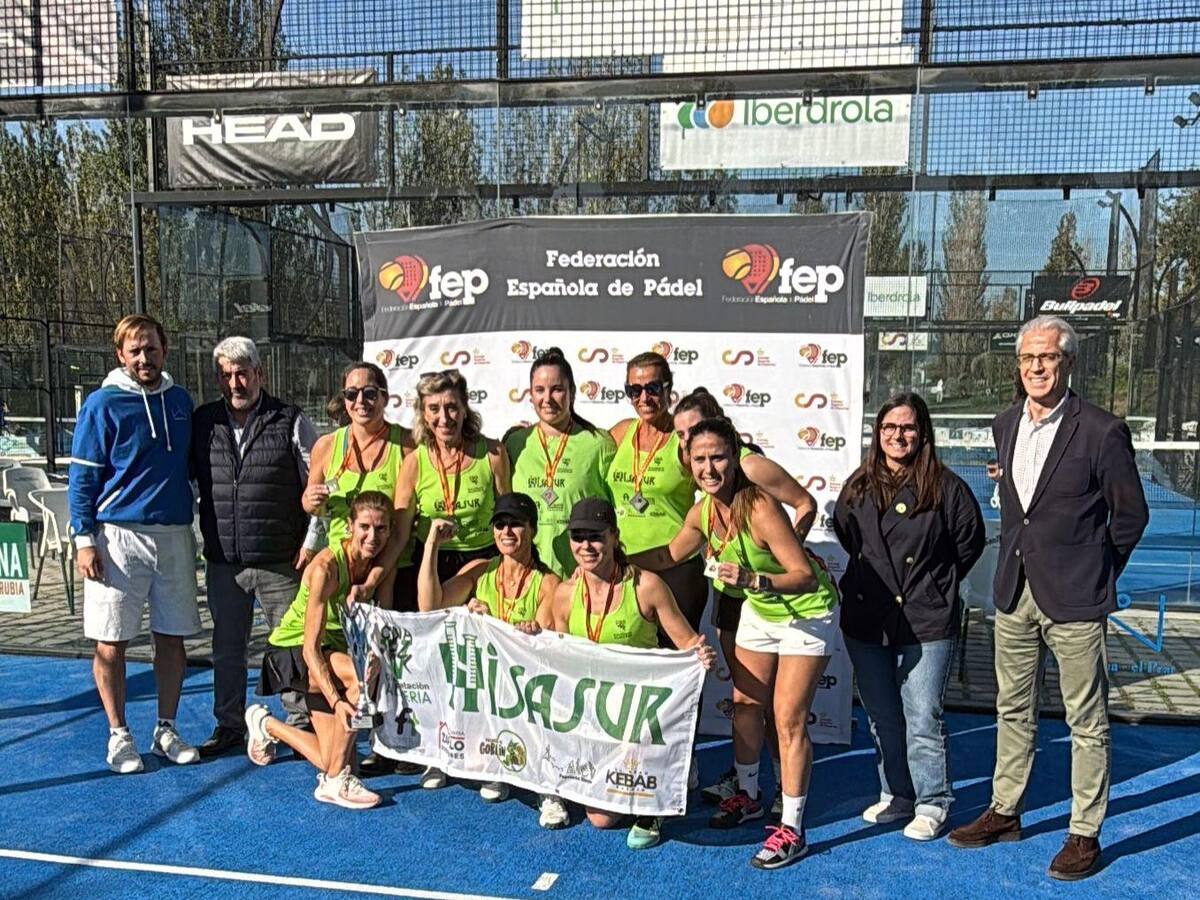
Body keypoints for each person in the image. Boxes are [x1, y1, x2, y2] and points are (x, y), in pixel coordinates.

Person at [947, 315, 1149, 881]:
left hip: (1077, 598)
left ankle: (1084, 832)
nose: (1036, 367)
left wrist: (1097, 572)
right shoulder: (1005, 423)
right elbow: (1025, 510)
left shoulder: (1102, 431)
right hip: (1015, 591)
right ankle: (1005, 810)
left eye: (1047, 357)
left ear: (1067, 363)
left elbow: (1130, 516)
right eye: (1027, 358)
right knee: (1012, 708)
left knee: (1087, 720)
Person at [632, 418, 838, 870]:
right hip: (761, 612)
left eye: (718, 458)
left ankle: (793, 829)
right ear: (688, 462)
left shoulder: (760, 506)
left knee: (787, 718)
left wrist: (753, 579)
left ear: (735, 459)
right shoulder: (702, 512)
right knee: (745, 705)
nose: (709, 468)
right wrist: (617, 561)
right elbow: (669, 555)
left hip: (806, 613)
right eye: (700, 459)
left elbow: (803, 575)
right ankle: (748, 795)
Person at [833, 392, 985, 841]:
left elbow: (968, 543)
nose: (898, 436)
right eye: (889, 427)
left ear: (923, 434)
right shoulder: (858, 485)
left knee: (923, 715)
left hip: (926, 619)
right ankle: (896, 794)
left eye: (908, 428)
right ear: (877, 433)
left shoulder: (947, 487)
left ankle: (933, 801)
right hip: (867, 618)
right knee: (881, 715)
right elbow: (848, 535)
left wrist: (933, 584)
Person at [526, 497, 714, 851]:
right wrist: (527, 633)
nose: (586, 546)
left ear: (613, 536)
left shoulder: (646, 586)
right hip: (595, 715)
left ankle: (658, 796)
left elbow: (687, 642)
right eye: (578, 537)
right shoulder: (564, 594)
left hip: (639, 716)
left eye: (595, 537)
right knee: (600, 819)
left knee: (609, 813)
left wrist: (699, 654)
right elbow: (561, 657)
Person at [671, 386, 818, 807]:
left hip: (771, 596)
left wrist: (780, 555)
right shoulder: (697, 470)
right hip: (730, 595)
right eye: (681, 436)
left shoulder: (751, 466)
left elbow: (805, 503)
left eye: (695, 430)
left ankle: (782, 786)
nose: (688, 441)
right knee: (746, 699)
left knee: (776, 707)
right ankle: (745, 781)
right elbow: (677, 548)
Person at [69, 314, 201, 773]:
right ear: (120, 355)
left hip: (174, 535)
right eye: (135, 350)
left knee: (172, 638)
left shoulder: (180, 401)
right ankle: (118, 735)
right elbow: (83, 478)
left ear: (165, 351)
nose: (144, 357)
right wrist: (84, 540)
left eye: (151, 349)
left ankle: (166, 728)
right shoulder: (102, 404)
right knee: (111, 642)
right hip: (117, 539)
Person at [190, 336, 326, 758]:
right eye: (227, 375)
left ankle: (299, 723)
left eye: (242, 373)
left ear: (259, 374)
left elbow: (317, 484)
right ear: (218, 379)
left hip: (281, 560)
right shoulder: (203, 422)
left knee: (289, 646)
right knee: (227, 649)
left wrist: (311, 542)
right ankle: (229, 724)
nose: (236, 383)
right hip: (224, 561)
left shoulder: (290, 419)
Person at [416, 492, 565, 826]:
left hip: (524, 685)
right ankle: (476, 758)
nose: (506, 531)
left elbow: (536, 650)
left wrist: (492, 623)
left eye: (516, 524)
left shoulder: (548, 583)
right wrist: (431, 545)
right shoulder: (480, 570)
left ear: (532, 529)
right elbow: (429, 606)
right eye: (500, 524)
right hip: (484, 682)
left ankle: (548, 790)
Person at [395, 367, 509, 788]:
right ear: (423, 414)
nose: (444, 417)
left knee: (482, 666)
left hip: (482, 564)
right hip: (430, 563)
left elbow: (508, 517)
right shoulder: (413, 462)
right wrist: (374, 581)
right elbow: (401, 532)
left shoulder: (492, 453)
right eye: (434, 409)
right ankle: (438, 751)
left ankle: (491, 756)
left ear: (465, 408)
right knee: (436, 665)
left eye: (451, 407)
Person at [244, 491, 394, 810]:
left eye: (381, 529)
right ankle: (336, 781)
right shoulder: (326, 568)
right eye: (365, 527)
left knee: (331, 757)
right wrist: (337, 701)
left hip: (329, 652)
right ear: (349, 526)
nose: (372, 536)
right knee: (363, 675)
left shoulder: (375, 563)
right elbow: (310, 650)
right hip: (292, 651)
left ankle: (266, 724)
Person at [302, 360, 416, 778]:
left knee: (394, 661)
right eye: (352, 394)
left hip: (392, 570)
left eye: (370, 393)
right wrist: (308, 505)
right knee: (355, 662)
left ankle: (398, 743)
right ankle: (359, 735)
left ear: (385, 397)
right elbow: (310, 505)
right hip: (342, 577)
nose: (361, 401)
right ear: (343, 399)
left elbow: (400, 530)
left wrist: (374, 578)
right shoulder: (326, 446)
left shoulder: (407, 445)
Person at [606, 352, 706, 638]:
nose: (644, 398)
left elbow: (718, 493)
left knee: (677, 657)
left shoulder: (683, 439)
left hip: (675, 572)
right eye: (634, 390)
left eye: (652, 388)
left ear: (668, 388)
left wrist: (703, 535)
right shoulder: (621, 433)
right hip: (625, 571)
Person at [504, 347, 616, 578]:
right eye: (539, 390)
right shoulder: (515, 444)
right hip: (530, 576)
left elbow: (617, 512)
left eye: (557, 389)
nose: (547, 399)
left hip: (584, 575)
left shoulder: (598, 443)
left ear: (571, 392)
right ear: (530, 395)